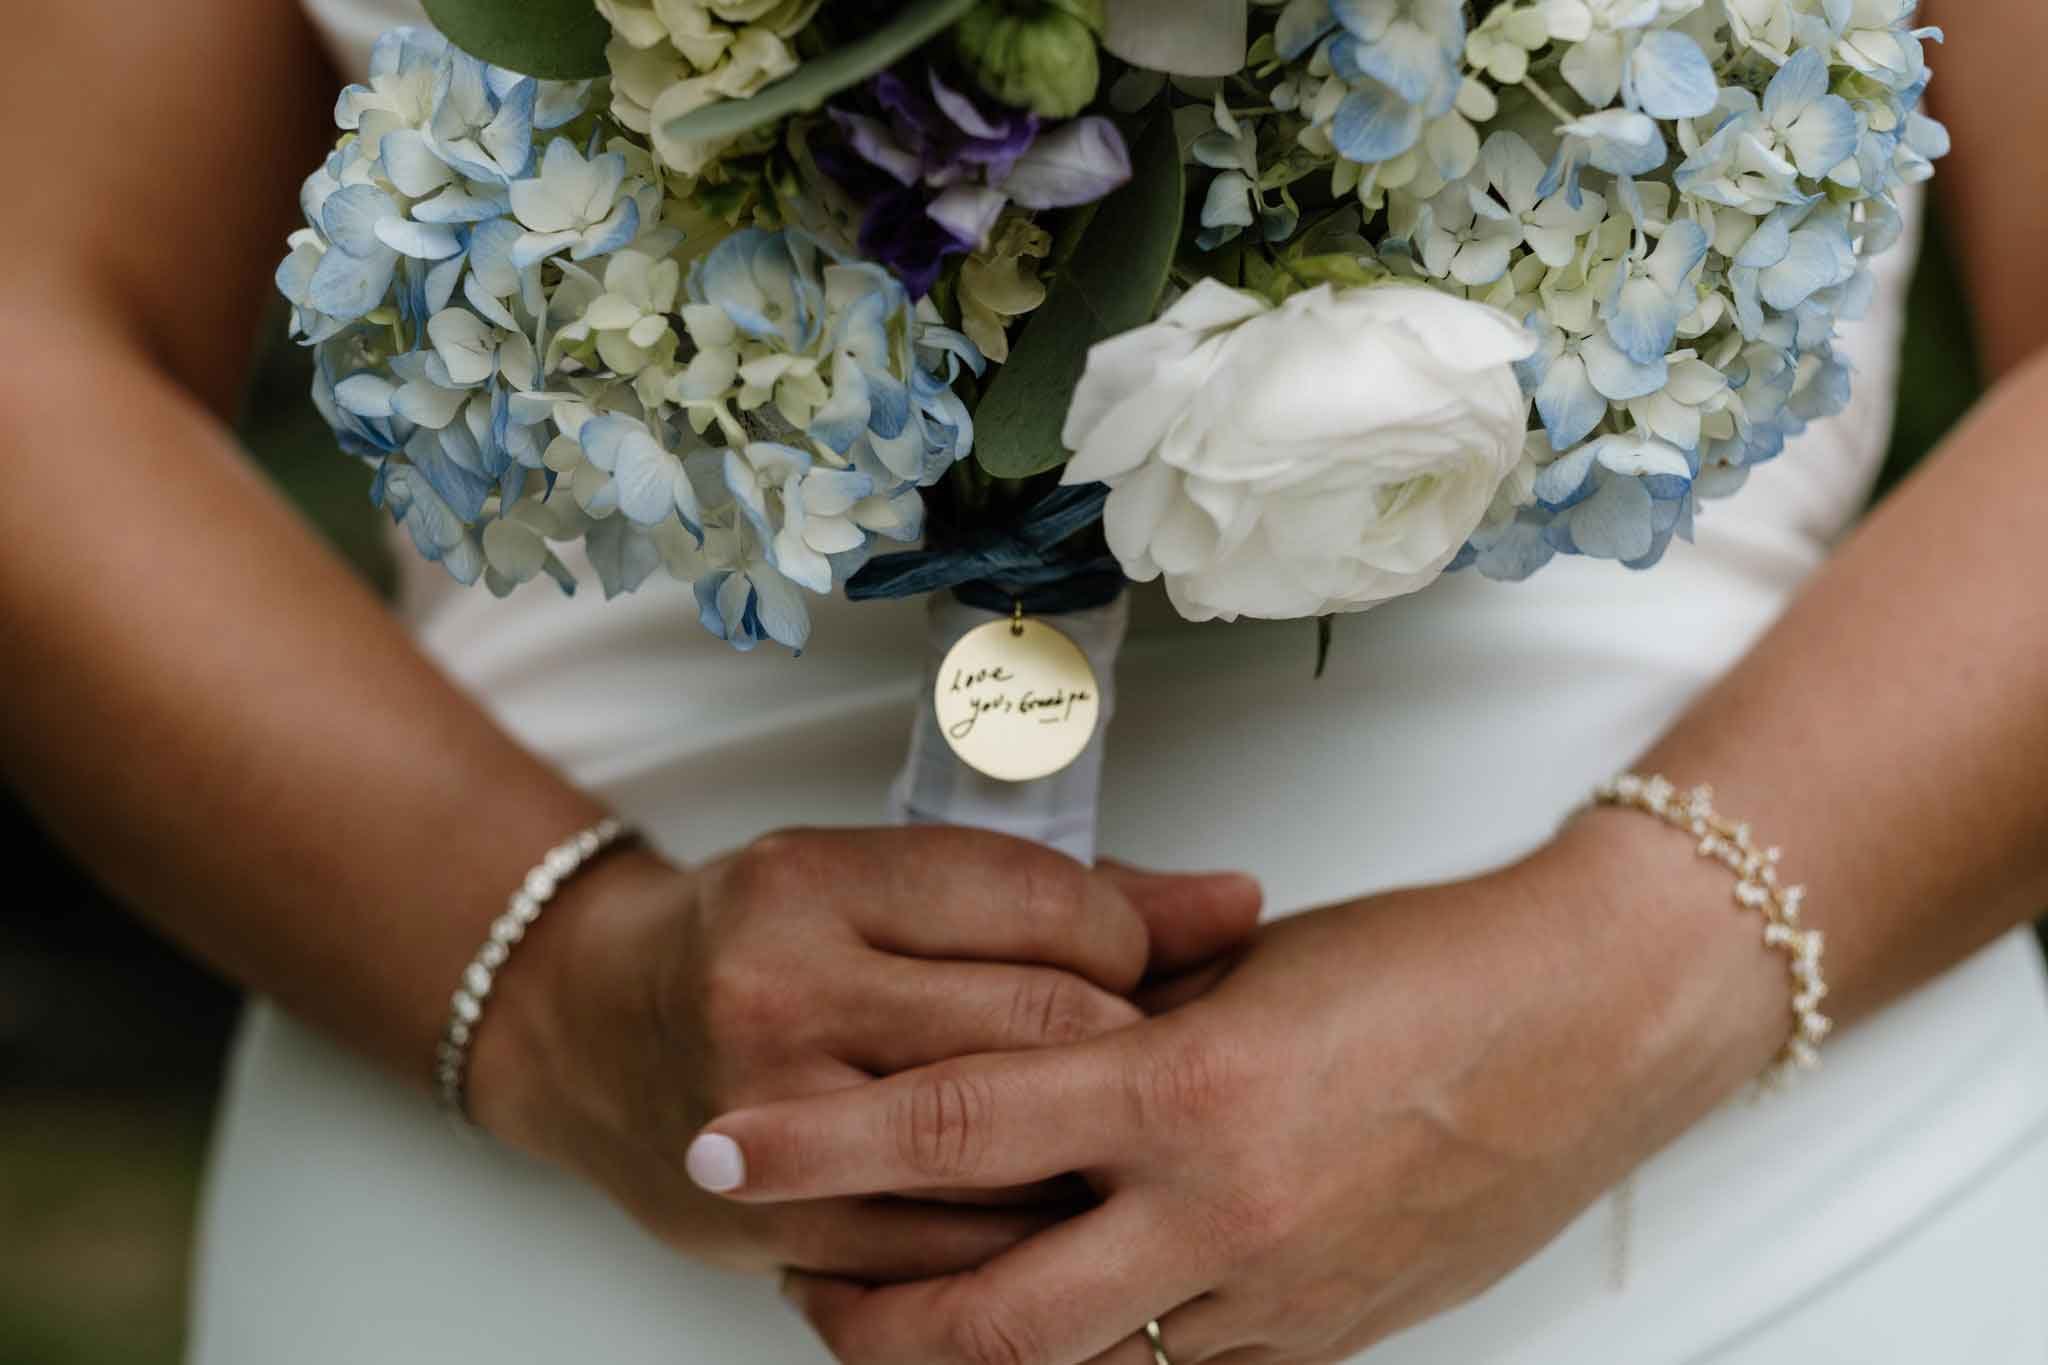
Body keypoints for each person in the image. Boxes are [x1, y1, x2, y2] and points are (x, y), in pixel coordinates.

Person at [3, 1, 2042, 1361]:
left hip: (1725, 1206)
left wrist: (1619, 993)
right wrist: (553, 992)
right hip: (550, 1192)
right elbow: (33, 340)